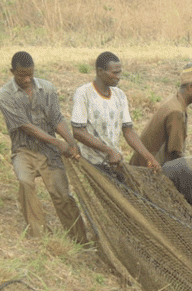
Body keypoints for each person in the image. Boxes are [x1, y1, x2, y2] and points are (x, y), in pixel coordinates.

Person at [0, 51, 88, 244]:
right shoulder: (5, 95)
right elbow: (25, 126)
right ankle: (40, 236)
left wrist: (71, 142)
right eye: (22, 75)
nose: (27, 79)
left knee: (62, 195)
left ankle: (79, 239)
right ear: (12, 71)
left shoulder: (47, 88)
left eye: (30, 74)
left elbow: (56, 118)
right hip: (24, 150)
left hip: (49, 152)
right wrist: (58, 143)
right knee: (25, 183)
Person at [71, 51, 160, 178]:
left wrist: (148, 157)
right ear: (100, 71)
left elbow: (128, 131)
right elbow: (78, 132)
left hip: (114, 160)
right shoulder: (84, 93)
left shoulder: (119, 95)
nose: (118, 77)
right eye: (114, 73)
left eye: (119, 72)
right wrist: (108, 150)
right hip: (93, 161)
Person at [130, 63, 192, 167]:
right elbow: (175, 156)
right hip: (148, 170)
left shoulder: (174, 100)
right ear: (190, 87)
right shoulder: (176, 112)